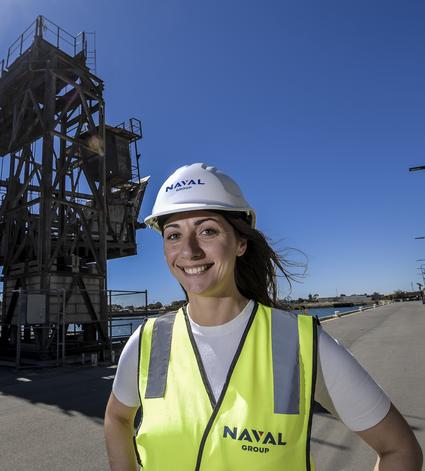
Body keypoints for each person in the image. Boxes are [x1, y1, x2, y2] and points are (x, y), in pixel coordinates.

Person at [104, 163, 422, 470]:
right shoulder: (148, 341)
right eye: (173, 235)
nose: (189, 251)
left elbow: (399, 450)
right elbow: (117, 418)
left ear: (240, 242)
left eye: (208, 231)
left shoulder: (300, 343)